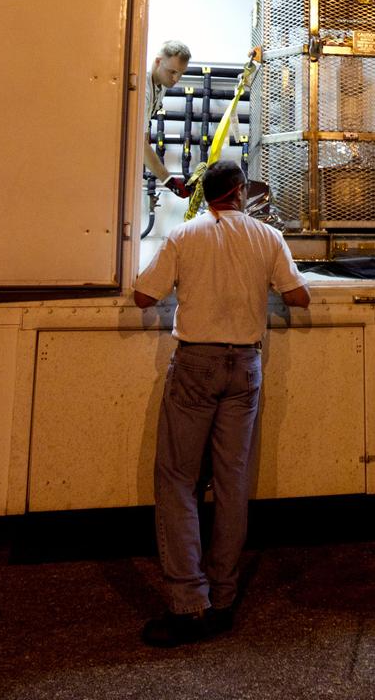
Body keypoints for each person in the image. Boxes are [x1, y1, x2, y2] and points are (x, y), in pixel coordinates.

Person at [134, 160, 311, 647]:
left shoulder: (184, 236)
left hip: (196, 364)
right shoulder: (266, 237)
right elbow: (299, 297)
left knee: (177, 480)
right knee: (233, 483)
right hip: (245, 368)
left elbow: (143, 297)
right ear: (239, 192)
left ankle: (189, 604)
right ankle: (225, 597)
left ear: (208, 195)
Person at [145, 40, 192, 197]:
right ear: (158, 61)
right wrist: (169, 181)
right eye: (172, 72)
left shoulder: (162, 83)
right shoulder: (143, 89)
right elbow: (139, 144)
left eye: (180, 73)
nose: (176, 78)